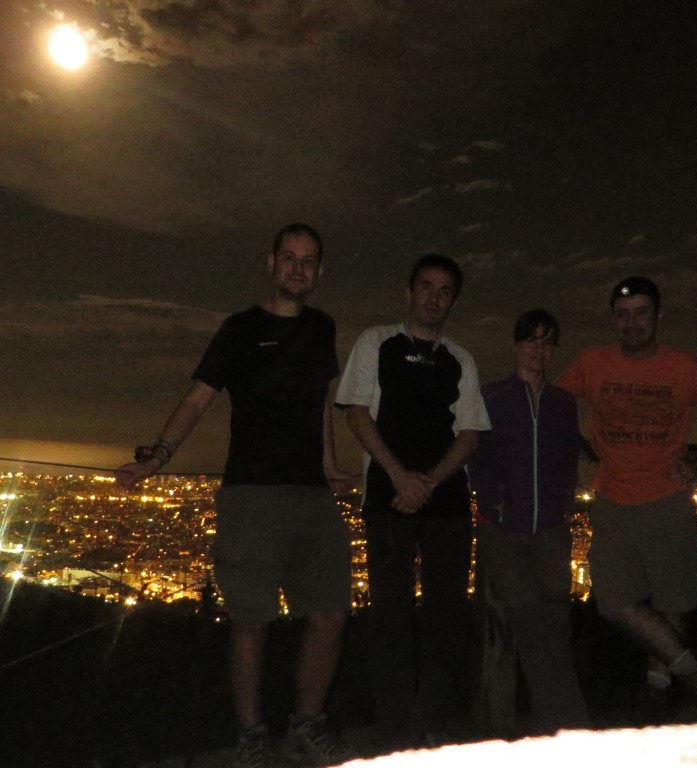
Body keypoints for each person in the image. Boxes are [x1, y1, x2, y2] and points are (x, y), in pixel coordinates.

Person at [114, 223, 353, 768]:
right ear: (270, 262)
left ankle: (306, 725)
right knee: (252, 619)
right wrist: (159, 456)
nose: (298, 268)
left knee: (330, 614)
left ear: (320, 270)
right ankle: (251, 735)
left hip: (311, 494)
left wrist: (330, 464)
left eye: (309, 260)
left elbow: (321, 404)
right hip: (251, 491)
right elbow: (198, 399)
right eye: (289, 258)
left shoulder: (323, 328)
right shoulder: (239, 329)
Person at [557, 276, 697, 722]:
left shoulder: (684, 367)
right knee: (614, 600)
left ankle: (657, 690)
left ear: (658, 316)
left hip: (668, 498)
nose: (632, 323)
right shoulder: (592, 363)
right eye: (623, 315)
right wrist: (581, 447)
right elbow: (555, 404)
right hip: (614, 497)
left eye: (641, 313)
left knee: (673, 600)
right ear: (613, 320)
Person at [335, 254, 491, 749]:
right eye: (426, 286)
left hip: (446, 504)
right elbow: (356, 413)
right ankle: (395, 725)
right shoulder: (376, 343)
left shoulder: (460, 359)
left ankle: (431, 719)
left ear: (453, 300)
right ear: (408, 291)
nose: (434, 297)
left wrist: (428, 481)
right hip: (387, 499)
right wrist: (401, 477)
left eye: (444, 290)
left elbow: (469, 433)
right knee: (390, 615)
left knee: (447, 615)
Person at [468, 309, 590, 735]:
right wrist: (493, 501)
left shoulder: (562, 404)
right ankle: (570, 725)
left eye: (547, 341)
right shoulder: (493, 397)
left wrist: (562, 504)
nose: (539, 348)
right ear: (516, 344)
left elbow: (567, 459)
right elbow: (474, 454)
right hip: (503, 529)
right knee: (530, 622)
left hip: (551, 530)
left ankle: (555, 725)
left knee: (556, 623)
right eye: (531, 339)